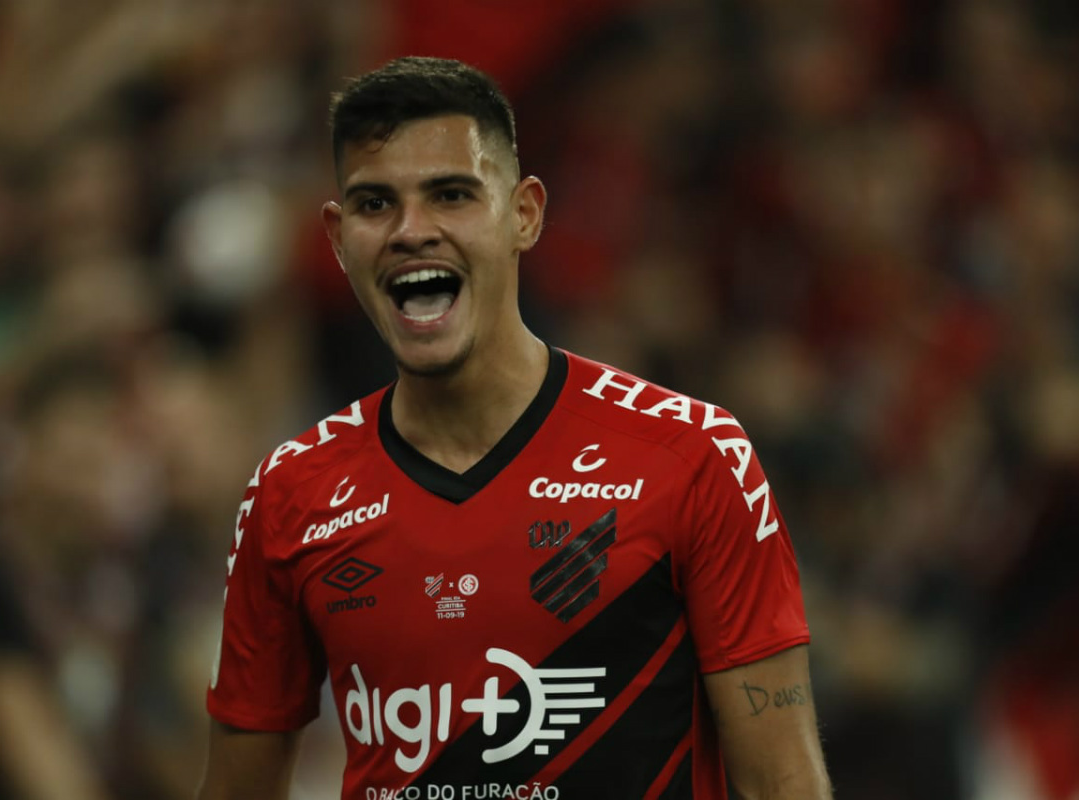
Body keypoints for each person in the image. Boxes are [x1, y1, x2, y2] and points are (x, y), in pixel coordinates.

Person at [197, 56, 832, 800]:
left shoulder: (693, 456)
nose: (411, 231)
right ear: (338, 238)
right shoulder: (290, 493)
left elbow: (783, 781)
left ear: (523, 215)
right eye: (375, 204)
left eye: (451, 195)